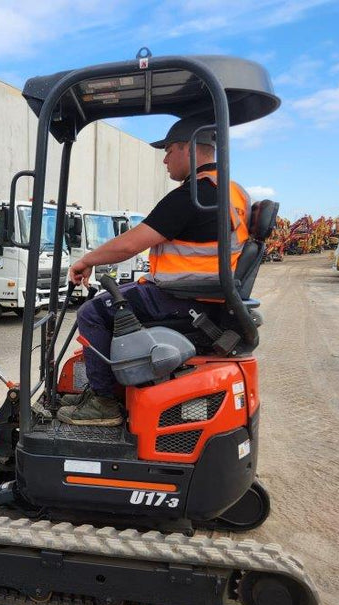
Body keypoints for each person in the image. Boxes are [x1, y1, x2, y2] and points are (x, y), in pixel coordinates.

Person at [57, 117, 251, 426]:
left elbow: (131, 243)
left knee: (92, 312)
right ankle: (108, 388)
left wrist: (87, 260)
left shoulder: (194, 196)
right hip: (208, 298)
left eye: (168, 150)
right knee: (116, 300)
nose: (164, 159)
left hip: (183, 298)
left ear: (187, 149)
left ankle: (104, 402)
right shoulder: (234, 193)